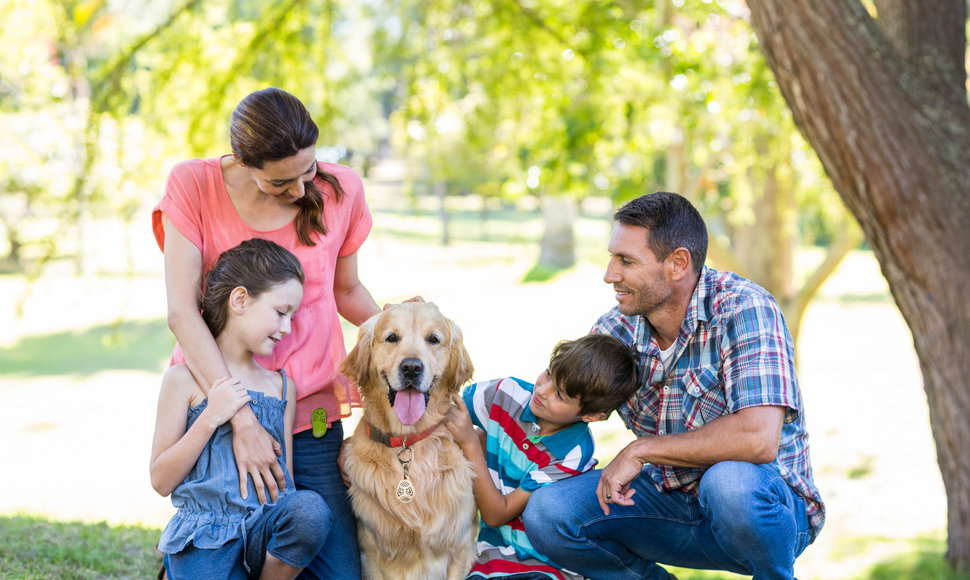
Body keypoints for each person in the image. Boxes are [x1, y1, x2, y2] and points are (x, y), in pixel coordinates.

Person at [522, 191, 825, 580]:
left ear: (678, 263)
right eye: (613, 257)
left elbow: (758, 439)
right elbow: (561, 401)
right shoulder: (614, 330)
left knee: (728, 483)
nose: (610, 274)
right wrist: (459, 413)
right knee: (550, 514)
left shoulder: (744, 308)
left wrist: (642, 449)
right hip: (667, 504)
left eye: (626, 261)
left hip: (764, 512)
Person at [152, 87, 381, 579]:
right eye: (281, 182)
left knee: (335, 569)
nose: (300, 191)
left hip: (308, 418)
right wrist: (242, 420)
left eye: (309, 171)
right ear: (243, 160)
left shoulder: (342, 189)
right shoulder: (194, 185)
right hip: (213, 410)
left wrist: (401, 332)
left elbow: (348, 290)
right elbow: (181, 311)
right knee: (219, 539)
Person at [151, 239, 328, 579]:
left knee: (309, 510)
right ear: (240, 300)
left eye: (292, 316)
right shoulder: (182, 380)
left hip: (265, 532)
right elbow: (160, 479)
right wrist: (211, 416)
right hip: (206, 540)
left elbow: (284, 485)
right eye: (280, 312)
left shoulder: (281, 387)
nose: (287, 328)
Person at [445, 334, 640, 580]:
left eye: (560, 394)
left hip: (547, 562)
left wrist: (470, 443)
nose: (542, 391)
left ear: (591, 416)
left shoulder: (573, 452)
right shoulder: (506, 394)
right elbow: (441, 411)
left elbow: (496, 514)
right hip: (491, 552)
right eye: (549, 374)